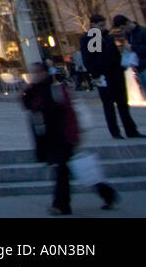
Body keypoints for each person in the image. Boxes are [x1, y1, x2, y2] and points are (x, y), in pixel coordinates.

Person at [22, 61, 117, 215]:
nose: (34, 75)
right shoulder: (35, 90)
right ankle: (107, 193)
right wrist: (28, 89)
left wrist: (73, 136)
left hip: (62, 136)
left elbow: (69, 113)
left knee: (62, 171)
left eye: (38, 72)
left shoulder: (56, 89)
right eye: (32, 72)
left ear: (45, 73)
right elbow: (27, 106)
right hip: (49, 138)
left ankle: (61, 205)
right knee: (72, 169)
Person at [80, 14, 140, 138]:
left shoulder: (107, 35)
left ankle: (129, 130)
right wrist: (96, 74)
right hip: (105, 75)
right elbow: (93, 58)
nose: (103, 27)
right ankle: (117, 131)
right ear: (93, 25)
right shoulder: (93, 36)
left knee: (122, 103)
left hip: (115, 73)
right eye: (100, 25)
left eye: (103, 25)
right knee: (110, 105)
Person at [112, 15, 146, 95]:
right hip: (139, 67)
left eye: (123, 28)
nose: (123, 30)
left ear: (127, 23)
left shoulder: (142, 32)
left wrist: (133, 47)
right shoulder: (129, 35)